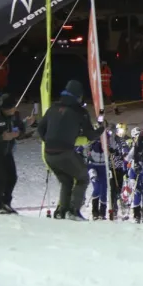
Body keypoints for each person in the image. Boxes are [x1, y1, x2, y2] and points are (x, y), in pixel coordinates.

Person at [37, 80, 104, 220]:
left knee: (66, 181)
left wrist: (49, 140)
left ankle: (62, 211)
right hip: (65, 152)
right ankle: (73, 211)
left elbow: (40, 128)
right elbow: (90, 134)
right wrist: (102, 128)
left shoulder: (53, 108)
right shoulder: (80, 111)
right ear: (79, 96)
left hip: (49, 153)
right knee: (83, 178)